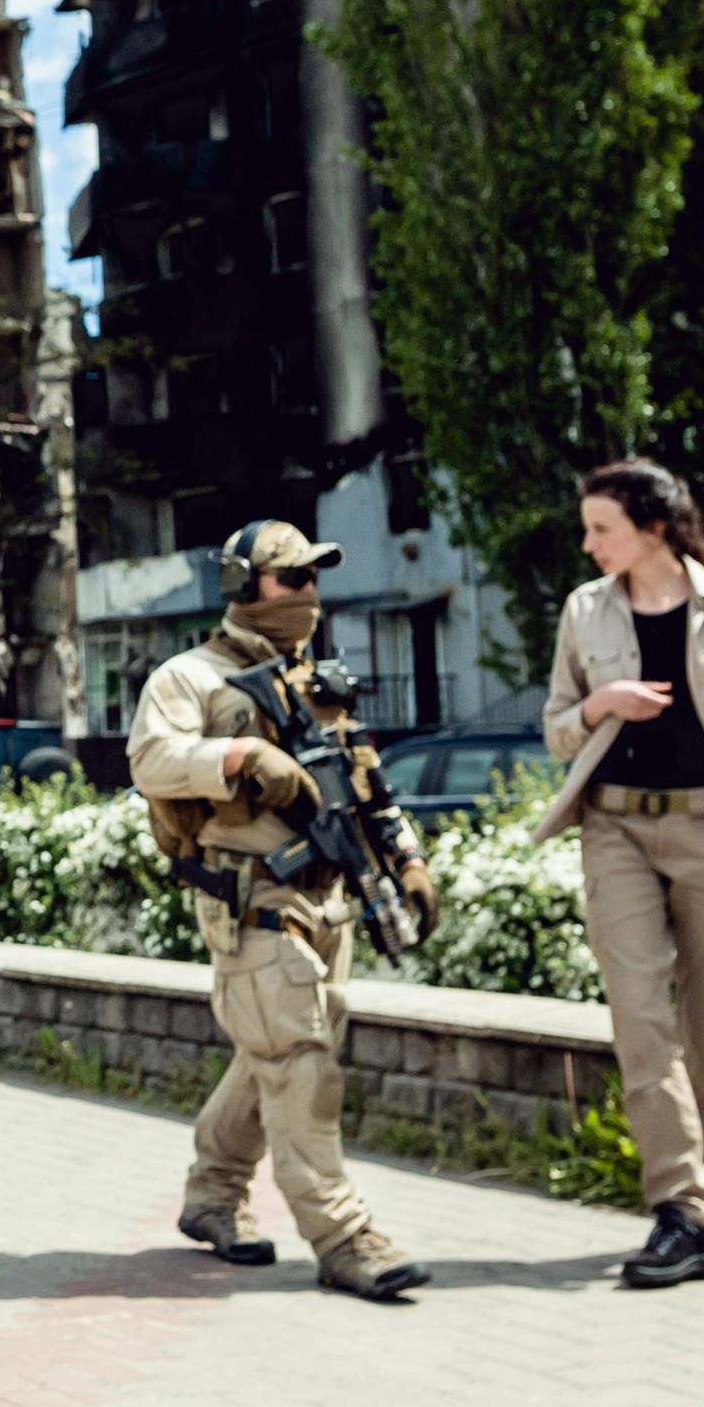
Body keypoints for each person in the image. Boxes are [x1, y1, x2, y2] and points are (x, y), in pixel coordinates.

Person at [133, 521, 439, 1301]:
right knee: (300, 1067)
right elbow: (149, 759)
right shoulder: (190, 677)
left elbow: (367, 781)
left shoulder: (315, 680)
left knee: (271, 1056)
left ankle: (212, 1197)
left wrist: (406, 861)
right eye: (289, 578)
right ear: (241, 587)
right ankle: (344, 1238)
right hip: (252, 901)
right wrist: (238, 757)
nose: (307, 593)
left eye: (312, 577)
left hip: (328, 899)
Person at [536, 458, 704, 1291]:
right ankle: (681, 1207)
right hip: (614, 825)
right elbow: (555, 730)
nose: (588, 545)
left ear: (653, 527)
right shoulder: (585, 612)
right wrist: (599, 704)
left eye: (602, 528)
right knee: (642, 1019)